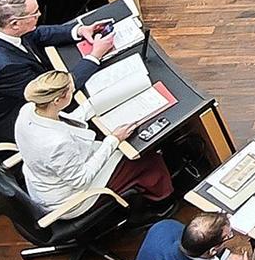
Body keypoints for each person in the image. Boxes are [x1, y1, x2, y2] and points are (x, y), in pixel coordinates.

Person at [0, 0, 110, 151]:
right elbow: (55, 91)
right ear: (15, 23)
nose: (39, 15)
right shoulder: (4, 67)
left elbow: (35, 34)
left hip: (22, 91)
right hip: (12, 122)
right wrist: (95, 55)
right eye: (35, 13)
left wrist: (78, 31)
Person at [14, 69, 174, 213]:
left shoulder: (28, 110)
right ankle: (162, 204)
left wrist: (92, 105)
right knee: (147, 160)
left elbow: (64, 122)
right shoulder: (57, 144)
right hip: (70, 197)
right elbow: (81, 180)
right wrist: (113, 139)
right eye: (70, 90)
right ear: (57, 100)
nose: (73, 90)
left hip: (47, 177)